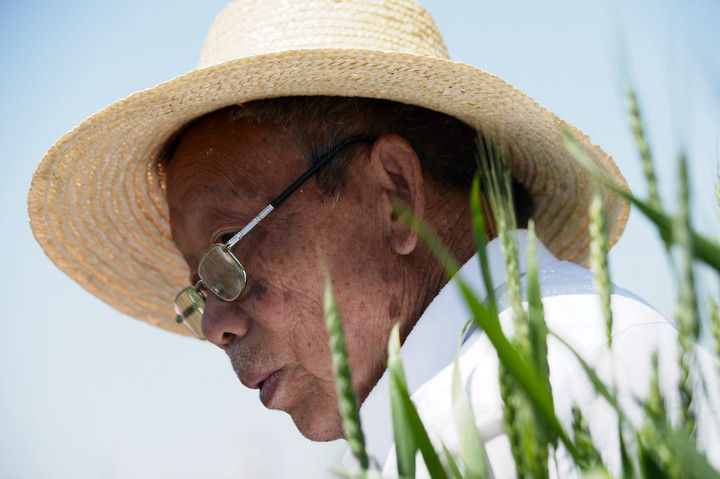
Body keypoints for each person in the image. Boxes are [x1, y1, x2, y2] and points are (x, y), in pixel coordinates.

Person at [27, 0, 719, 476]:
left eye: (228, 248)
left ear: (394, 194)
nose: (215, 325)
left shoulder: (537, 395)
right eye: (200, 286)